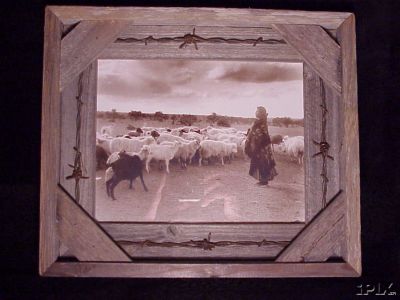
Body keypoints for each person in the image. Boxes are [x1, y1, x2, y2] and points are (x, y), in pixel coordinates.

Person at [245, 106, 278, 185]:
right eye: (256, 111)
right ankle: (262, 179)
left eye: (257, 111)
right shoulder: (259, 122)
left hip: (261, 147)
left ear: (261, 113)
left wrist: (255, 139)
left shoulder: (261, 122)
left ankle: (264, 180)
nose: (255, 112)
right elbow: (254, 132)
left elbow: (262, 134)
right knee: (261, 162)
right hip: (259, 146)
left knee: (263, 163)